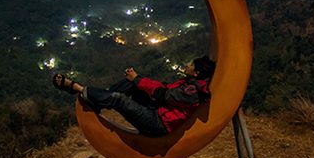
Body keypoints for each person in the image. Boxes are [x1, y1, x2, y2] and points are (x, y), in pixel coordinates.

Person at [53, 56, 215, 137]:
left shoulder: (192, 92)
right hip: (157, 111)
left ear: (196, 73)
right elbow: (162, 87)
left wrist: (138, 78)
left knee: (119, 98)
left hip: (158, 124)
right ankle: (99, 96)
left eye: (191, 65)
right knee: (131, 84)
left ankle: (77, 88)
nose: (187, 65)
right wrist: (136, 80)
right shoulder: (189, 83)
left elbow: (163, 94)